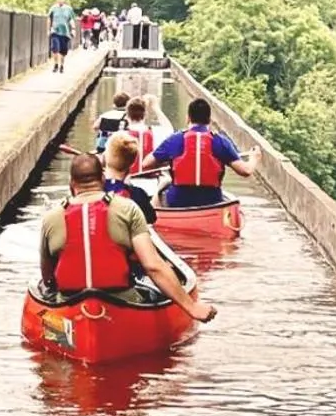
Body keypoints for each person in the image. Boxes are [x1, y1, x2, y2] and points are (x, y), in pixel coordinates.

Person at [40, 152, 214, 324]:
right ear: (102, 179)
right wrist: (191, 307)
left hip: (69, 303)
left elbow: (47, 276)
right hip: (121, 298)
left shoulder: (50, 218)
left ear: (72, 184)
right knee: (153, 293)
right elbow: (153, 266)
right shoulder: (128, 209)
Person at [141, 95, 261, 209]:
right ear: (209, 119)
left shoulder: (174, 139)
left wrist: (166, 160)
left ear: (188, 118)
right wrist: (254, 157)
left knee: (161, 187)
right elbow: (246, 171)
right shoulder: (220, 142)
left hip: (178, 201)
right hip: (212, 201)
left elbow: (146, 164)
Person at [103, 134, 158, 225]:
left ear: (105, 158)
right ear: (132, 164)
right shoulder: (139, 195)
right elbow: (151, 219)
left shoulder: (95, 190)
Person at [47, 0, 77, 72]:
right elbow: (49, 18)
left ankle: (62, 65)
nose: (60, 0)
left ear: (64, 0)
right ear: (56, 0)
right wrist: (48, 29)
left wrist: (73, 29)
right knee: (55, 48)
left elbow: (71, 19)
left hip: (65, 32)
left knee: (63, 51)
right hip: (55, 31)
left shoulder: (68, 9)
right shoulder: (53, 8)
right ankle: (56, 64)